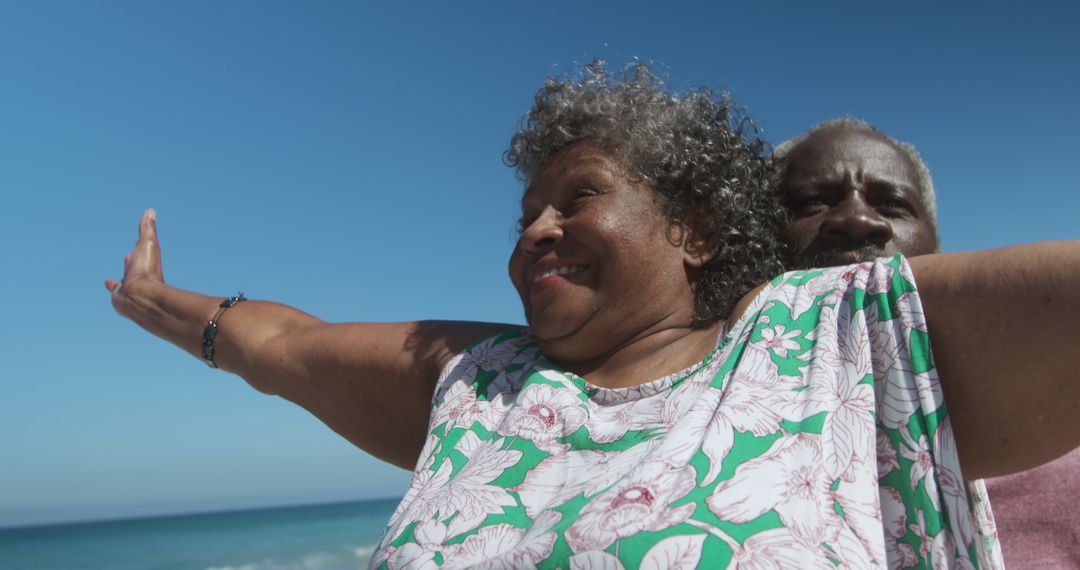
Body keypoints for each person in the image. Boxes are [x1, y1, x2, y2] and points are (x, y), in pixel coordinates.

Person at [106, 63, 1079, 569]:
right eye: (525, 214)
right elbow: (286, 345)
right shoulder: (479, 383)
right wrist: (162, 306)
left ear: (696, 229)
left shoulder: (836, 343)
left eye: (575, 198)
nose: (538, 230)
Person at [775, 117, 1080, 568]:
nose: (857, 219)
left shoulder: (1063, 460)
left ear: (938, 253)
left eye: (893, 204)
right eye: (812, 202)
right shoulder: (672, 447)